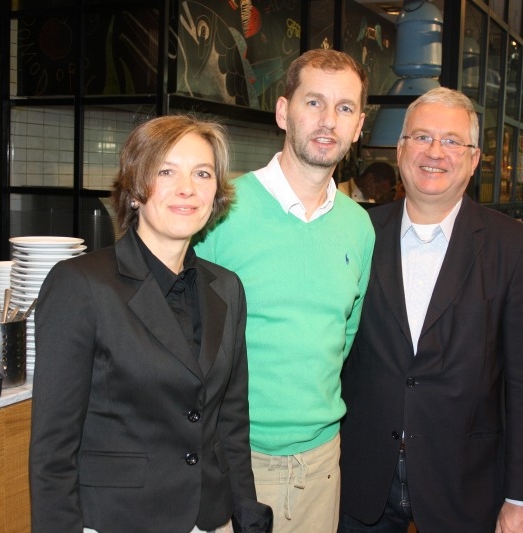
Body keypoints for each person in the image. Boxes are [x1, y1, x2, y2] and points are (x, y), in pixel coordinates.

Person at [29, 115, 271, 533]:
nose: (187, 188)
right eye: (166, 171)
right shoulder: (81, 285)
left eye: (202, 173)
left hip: (208, 517)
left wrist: (243, 513)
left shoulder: (227, 288)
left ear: (216, 194)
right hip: (117, 519)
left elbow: (231, 423)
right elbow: (53, 447)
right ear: (135, 190)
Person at [338, 87, 523, 532]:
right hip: (360, 480)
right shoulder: (357, 232)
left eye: (452, 141)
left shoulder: (514, 249)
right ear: (400, 150)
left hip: (466, 483)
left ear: (474, 159)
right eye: (421, 137)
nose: (434, 152)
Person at [194, 49, 375, 533]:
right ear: (282, 111)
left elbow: (343, 337)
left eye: (344, 108)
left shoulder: (360, 227)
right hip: (232, 458)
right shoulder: (221, 208)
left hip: (322, 463)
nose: (327, 121)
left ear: (359, 126)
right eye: (313, 102)